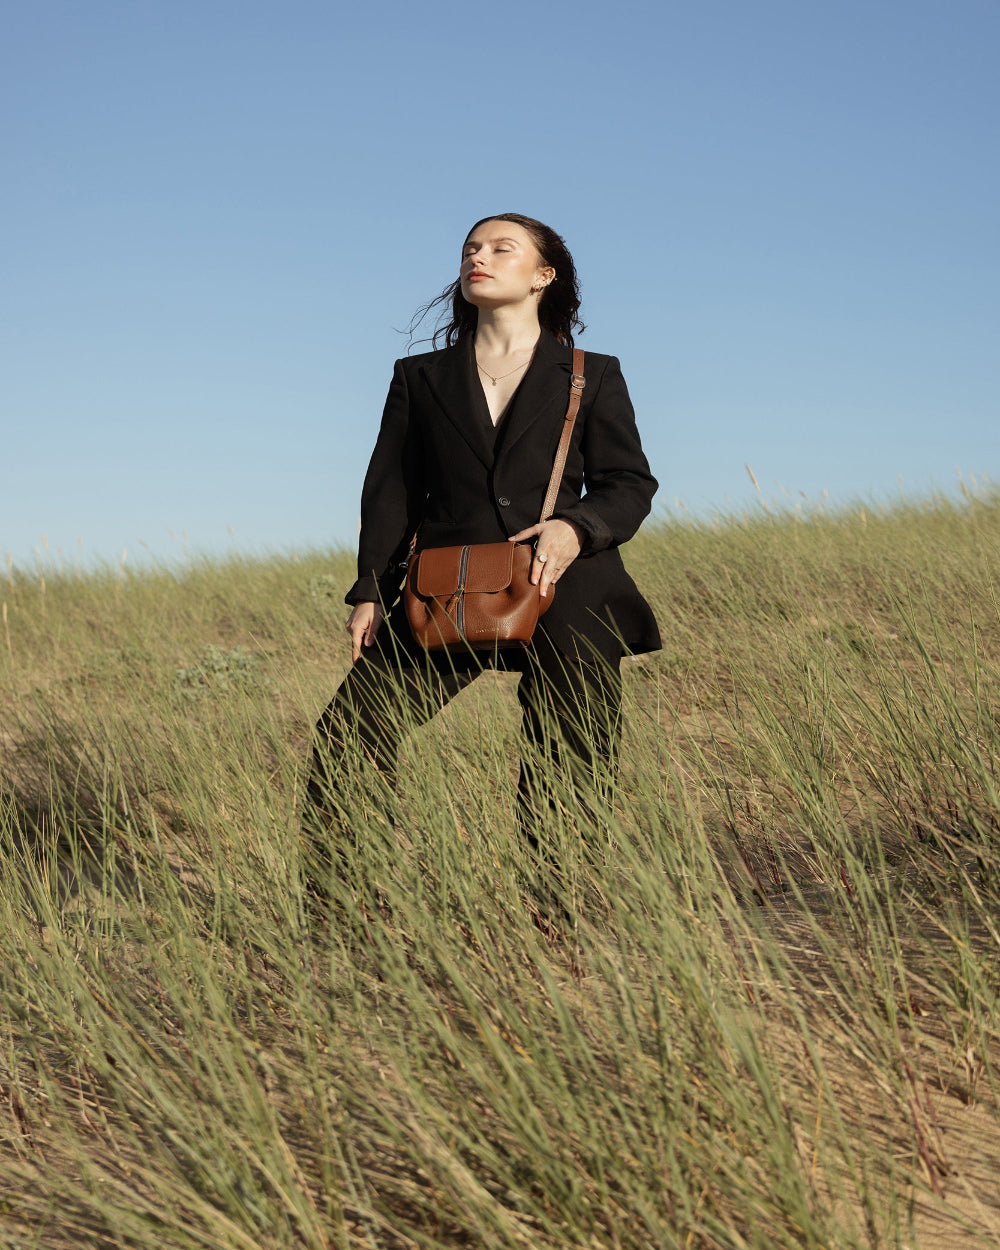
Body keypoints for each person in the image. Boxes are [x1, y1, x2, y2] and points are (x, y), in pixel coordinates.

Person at [306, 213, 660, 896]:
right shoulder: (420, 377)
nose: (480, 258)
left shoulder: (592, 374)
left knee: (571, 752)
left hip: (565, 583)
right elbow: (392, 489)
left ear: (543, 275)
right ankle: (344, 915)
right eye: (471, 248)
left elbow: (629, 483)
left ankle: (561, 915)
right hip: (446, 582)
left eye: (503, 248)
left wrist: (577, 528)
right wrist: (370, 589)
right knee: (350, 734)